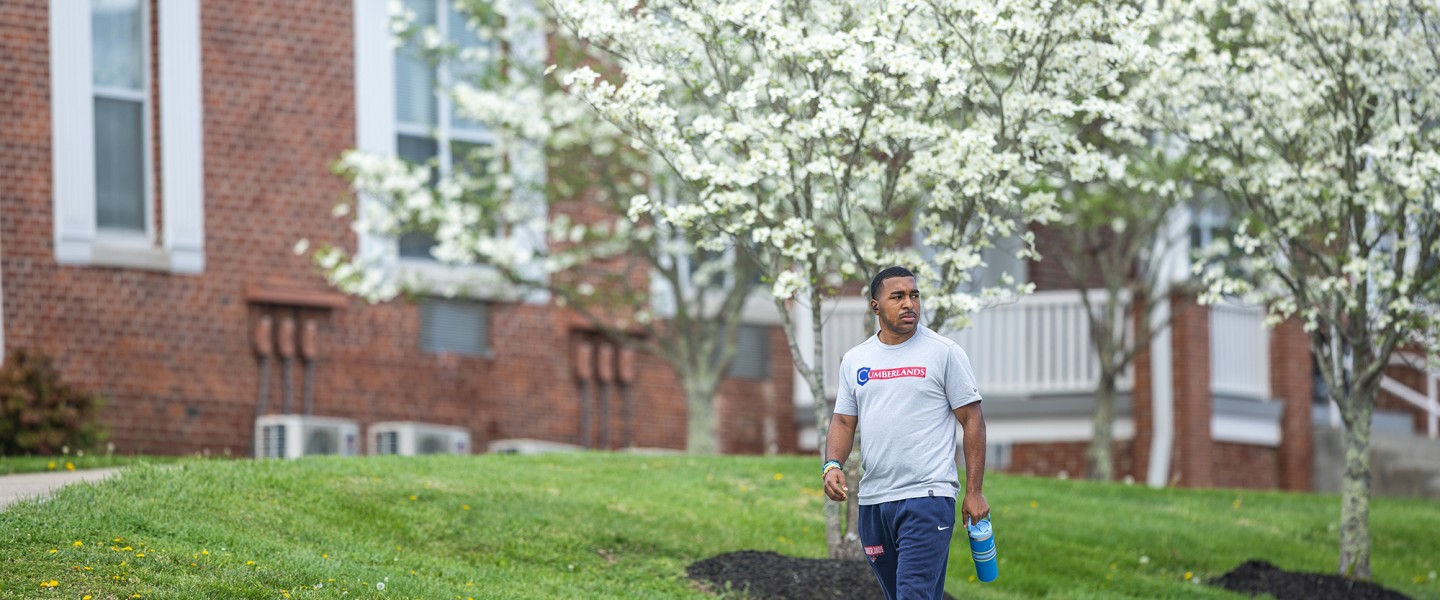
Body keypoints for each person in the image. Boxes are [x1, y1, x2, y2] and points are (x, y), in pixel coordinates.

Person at [823, 266, 989, 600]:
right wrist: (831, 465)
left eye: (914, 295)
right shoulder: (856, 360)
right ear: (875, 306)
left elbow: (972, 420)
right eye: (897, 296)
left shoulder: (944, 353)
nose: (909, 303)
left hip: (927, 498)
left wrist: (974, 491)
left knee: (912, 594)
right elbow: (843, 422)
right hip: (874, 502)